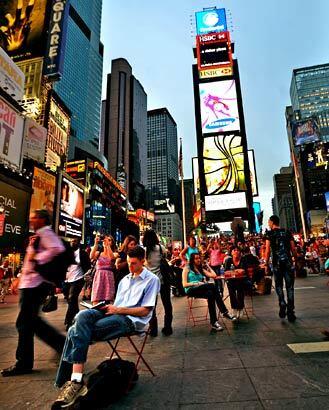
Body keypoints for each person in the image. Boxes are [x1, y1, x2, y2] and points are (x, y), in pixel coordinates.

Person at [52, 246, 160, 408]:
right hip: (114, 312)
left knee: (76, 330)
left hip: (129, 320)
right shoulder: (124, 280)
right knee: (81, 316)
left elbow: (145, 311)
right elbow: (117, 304)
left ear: (143, 261)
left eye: (134, 263)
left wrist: (117, 310)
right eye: (129, 263)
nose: (130, 267)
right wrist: (106, 307)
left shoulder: (152, 280)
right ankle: (74, 382)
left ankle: (72, 380)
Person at [1, 210, 66, 377]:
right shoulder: (38, 235)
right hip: (29, 284)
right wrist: (20, 278)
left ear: (42, 219)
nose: (31, 219)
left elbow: (58, 248)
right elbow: (29, 261)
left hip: (35, 285)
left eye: (35, 217)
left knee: (24, 324)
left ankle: (24, 363)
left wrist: (38, 257)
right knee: (32, 323)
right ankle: (62, 344)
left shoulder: (46, 233)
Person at [182, 253, 236, 331]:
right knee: (212, 286)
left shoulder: (200, 269)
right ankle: (224, 312)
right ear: (192, 260)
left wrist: (207, 265)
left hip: (200, 288)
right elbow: (184, 284)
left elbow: (214, 275)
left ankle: (214, 322)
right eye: (196, 258)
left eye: (199, 258)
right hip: (190, 290)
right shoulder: (187, 268)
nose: (198, 260)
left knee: (210, 294)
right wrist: (197, 283)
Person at [264, 215, 297, 322]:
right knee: (290, 288)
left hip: (276, 264)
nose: (268, 223)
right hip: (288, 263)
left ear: (272, 222)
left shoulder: (269, 234)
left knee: (278, 286)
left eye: (269, 222)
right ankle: (291, 312)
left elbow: (268, 251)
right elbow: (293, 248)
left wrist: (265, 264)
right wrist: (295, 260)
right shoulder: (287, 232)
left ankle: (282, 302)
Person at [143, 229, 173, 336]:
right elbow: (165, 258)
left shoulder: (144, 251)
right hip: (163, 280)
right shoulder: (160, 248)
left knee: (151, 306)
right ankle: (168, 327)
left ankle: (153, 329)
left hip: (150, 282)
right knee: (167, 304)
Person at [64, 239, 91, 331]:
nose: (72, 242)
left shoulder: (83, 254)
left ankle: (70, 321)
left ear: (78, 243)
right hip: (67, 280)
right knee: (71, 301)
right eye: (71, 241)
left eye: (75, 241)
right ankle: (78, 319)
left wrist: (87, 275)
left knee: (72, 298)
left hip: (78, 279)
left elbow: (88, 265)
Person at [90, 235, 117, 305]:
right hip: (99, 277)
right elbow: (91, 256)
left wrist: (107, 246)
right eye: (105, 240)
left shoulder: (114, 253)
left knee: (108, 300)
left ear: (112, 243)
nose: (106, 241)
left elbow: (112, 258)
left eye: (109, 240)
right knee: (96, 299)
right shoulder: (98, 253)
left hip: (108, 278)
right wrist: (96, 243)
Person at [224, 246, 249, 318]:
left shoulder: (243, 259)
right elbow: (226, 272)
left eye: (238, 250)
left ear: (240, 252)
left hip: (242, 280)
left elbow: (243, 271)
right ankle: (234, 308)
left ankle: (240, 308)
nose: (236, 251)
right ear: (231, 252)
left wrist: (233, 271)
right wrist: (237, 271)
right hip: (231, 281)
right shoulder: (228, 260)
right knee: (231, 288)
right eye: (234, 250)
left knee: (240, 287)